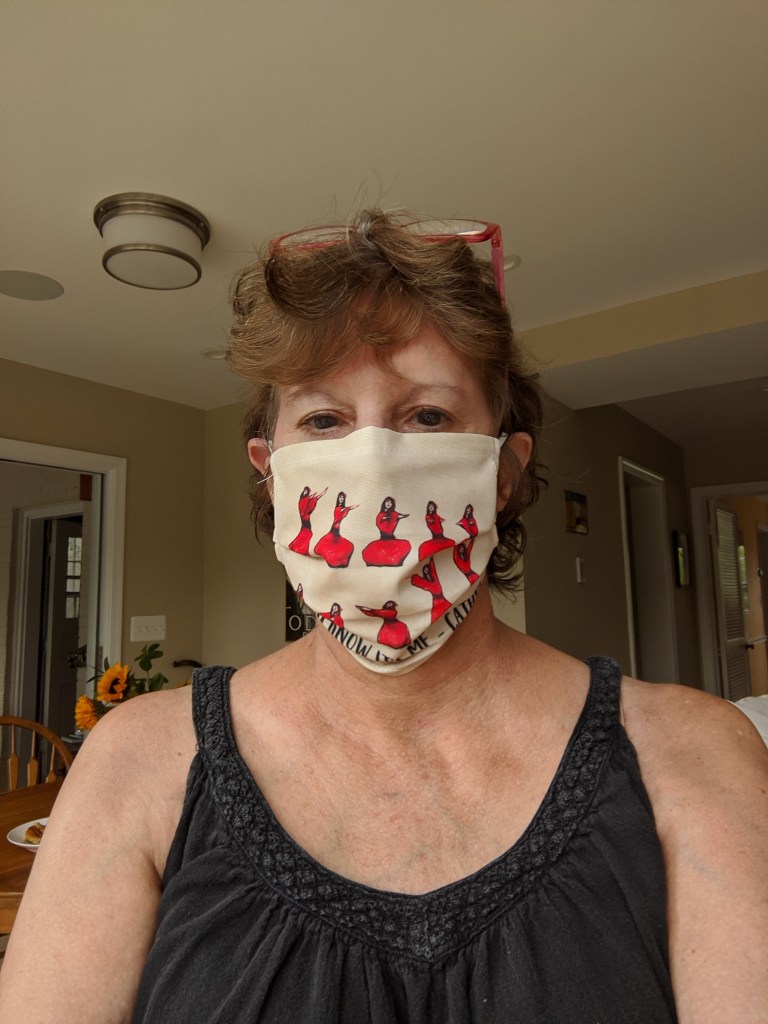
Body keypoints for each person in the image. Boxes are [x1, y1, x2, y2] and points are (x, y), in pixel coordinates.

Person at [0, 210, 766, 1024]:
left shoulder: (691, 753)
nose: (371, 463)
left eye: (428, 416)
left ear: (504, 473)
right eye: (323, 420)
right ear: (272, 476)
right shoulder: (136, 761)